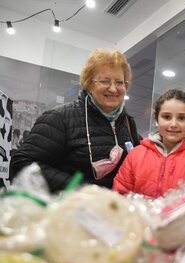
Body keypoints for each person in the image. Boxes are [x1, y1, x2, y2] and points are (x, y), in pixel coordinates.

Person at [10, 48, 141, 193]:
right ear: (89, 84)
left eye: (119, 82)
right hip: (70, 211)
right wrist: (78, 190)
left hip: (113, 212)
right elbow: (22, 164)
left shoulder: (127, 123)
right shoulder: (59, 118)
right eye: (105, 81)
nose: (113, 88)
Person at [113, 89, 185, 198]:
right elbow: (119, 195)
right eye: (166, 117)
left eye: (181, 118)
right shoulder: (136, 154)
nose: (173, 124)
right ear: (157, 119)